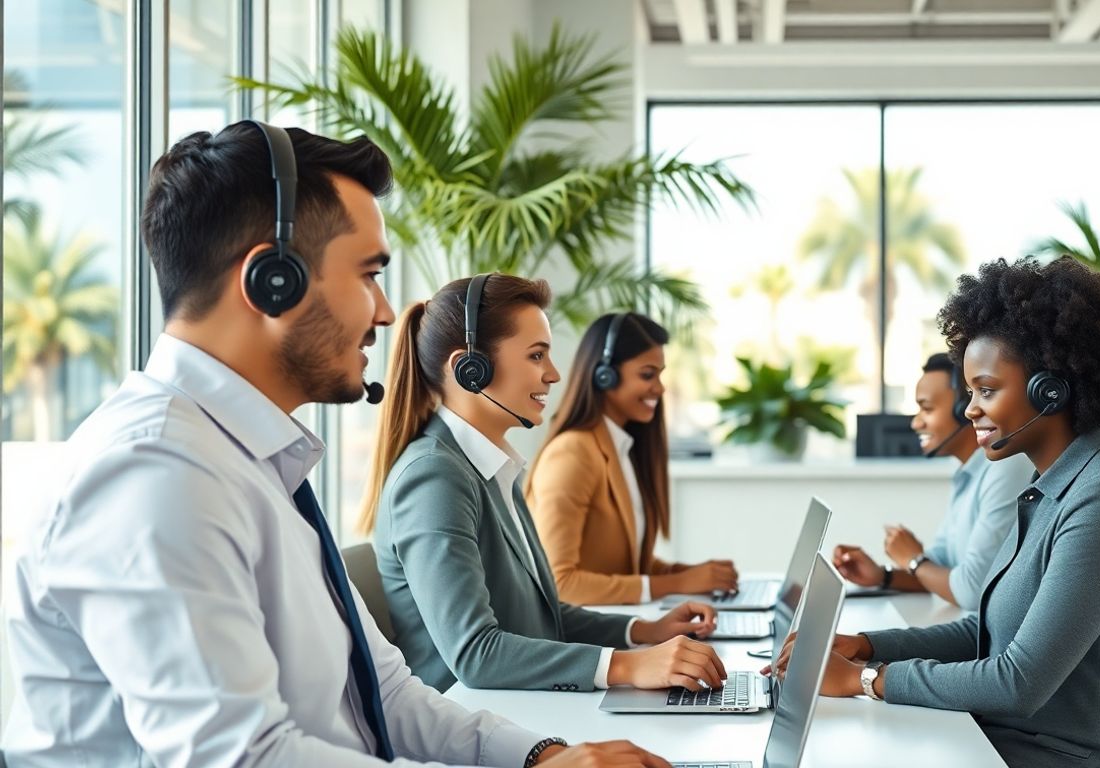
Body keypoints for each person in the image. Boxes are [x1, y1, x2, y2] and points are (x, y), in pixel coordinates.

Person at [2, 122, 668, 766]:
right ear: (273, 280)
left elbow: (388, 693)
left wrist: (540, 755)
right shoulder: (156, 474)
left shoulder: (257, 463)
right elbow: (247, 759)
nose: (386, 312)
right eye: (368, 274)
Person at [771, 256, 1100, 768]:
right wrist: (865, 647)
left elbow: (1017, 682)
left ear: (1050, 391)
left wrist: (865, 681)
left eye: (987, 390)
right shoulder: (1050, 489)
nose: (969, 410)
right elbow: (982, 634)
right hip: (990, 742)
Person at [358, 274, 726, 696]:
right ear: (470, 369)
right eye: (536, 356)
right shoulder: (434, 477)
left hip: (520, 703)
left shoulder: (491, 467)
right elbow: (477, 654)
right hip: (469, 718)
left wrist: (643, 631)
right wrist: (628, 665)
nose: (553, 374)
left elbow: (543, 619)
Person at [524, 312, 739, 605]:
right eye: (647, 375)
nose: (660, 388)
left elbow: (623, 566)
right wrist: (678, 583)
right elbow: (559, 584)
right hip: (582, 631)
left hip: (616, 620)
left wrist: (693, 575)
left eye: (660, 375)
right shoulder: (572, 453)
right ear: (605, 376)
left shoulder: (622, 449)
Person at [832, 353, 1033, 609]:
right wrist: (883, 576)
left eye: (926, 409)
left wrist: (914, 560)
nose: (916, 423)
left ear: (962, 410)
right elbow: (943, 566)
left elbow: (972, 591)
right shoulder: (968, 474)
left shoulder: (1005, 469)